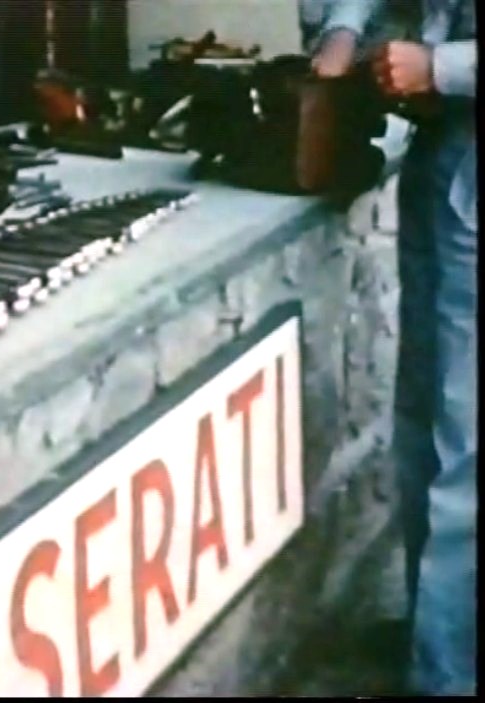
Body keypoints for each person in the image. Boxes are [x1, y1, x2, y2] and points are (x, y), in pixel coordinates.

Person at [312, 0, 476, 696]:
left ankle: (447, 677)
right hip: (443, 155)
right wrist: (342, 33)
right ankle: (436, 632)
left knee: (467, 444)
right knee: (422, 417)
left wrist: (440, 66)